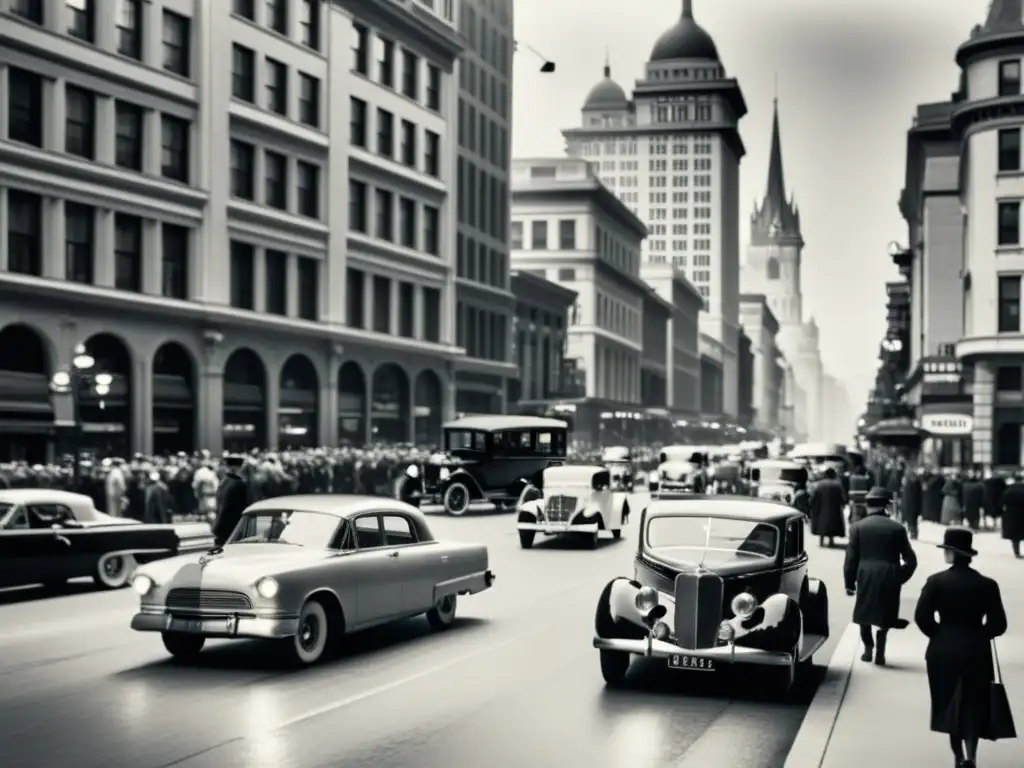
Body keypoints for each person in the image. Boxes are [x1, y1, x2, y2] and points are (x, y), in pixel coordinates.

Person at [913, 527, 1010, 768]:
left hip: (942, 650)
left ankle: (957, 755)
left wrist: (940, 634)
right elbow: (999, 624)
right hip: (976, 651)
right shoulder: (987, 585)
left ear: (952, 553)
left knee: (948, 702)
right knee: (973, 703)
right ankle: (971, 756)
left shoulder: (936, 582)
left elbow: (922, 617)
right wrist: (979, 635)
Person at [844, 487, 918, 666]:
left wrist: (849, 583)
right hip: (889, 574)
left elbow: (851, 560)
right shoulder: (897, 528)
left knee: (864, 613)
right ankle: (881, 651)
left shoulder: (857, 528)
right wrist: (900, 576)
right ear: (886, 506)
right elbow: (911, 560)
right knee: (886, 613)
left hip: (865, 574)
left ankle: (868, 648)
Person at [212, 453, 250, 547]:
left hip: (220, 523)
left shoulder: (225, 481)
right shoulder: (238, 484)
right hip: (232, 526)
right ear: (238, 468)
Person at [810, 466, 846, 548]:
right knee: (833, 524)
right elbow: (842, 498)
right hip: (834, 510)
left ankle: (821, 542)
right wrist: (842, 505)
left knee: (821, 524)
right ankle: (831, 541)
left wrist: (812, 506)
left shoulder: (819, 484)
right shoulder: (837, 485)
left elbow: (814, 497)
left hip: (822, 510)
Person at [999, 473, 1024, 558]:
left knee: (1015, 537)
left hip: (1012, 515)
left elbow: (1002, 502)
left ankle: (1017, 553)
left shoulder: (1009, 489)